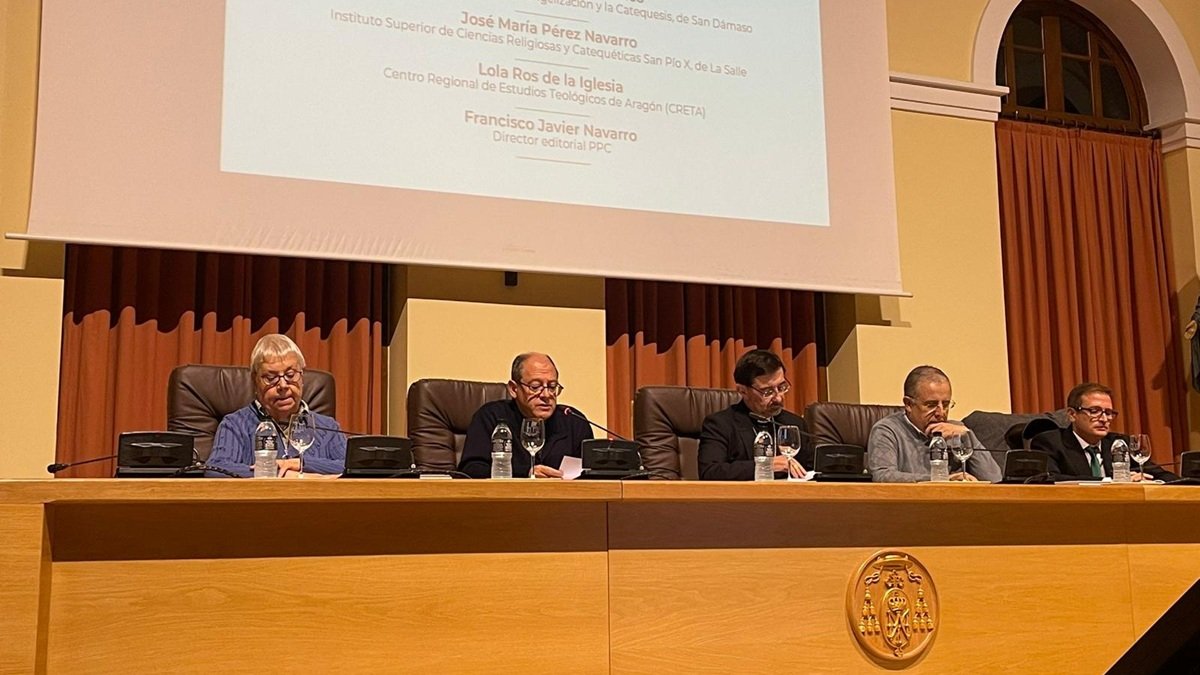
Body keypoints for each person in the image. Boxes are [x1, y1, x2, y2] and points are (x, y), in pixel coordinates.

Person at [208, 334, 346, 477]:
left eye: (290, 375)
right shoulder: (235, 424)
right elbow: (216, 469)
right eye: (271, 378)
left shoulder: (328, 427)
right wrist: (279, 474)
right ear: (255, 381)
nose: (283, 385)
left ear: (302, 377)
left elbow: (351, 467)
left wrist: (301, 464)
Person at [458, 352, 594, 479]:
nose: (546, 395)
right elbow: (471, 470)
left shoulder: (574, 421)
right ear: (513, 389)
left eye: (552, 386)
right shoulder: (491, 417)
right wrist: (526, 473)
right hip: (507, 501)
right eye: (535, 387)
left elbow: (591, 474)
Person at [867, 365, 1001, 482]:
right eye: (931, 405)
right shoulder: (887, 430)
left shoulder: (956, 431)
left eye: (946, 404)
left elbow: (994, 479)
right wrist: (941, 480)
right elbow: (883, 476)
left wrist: (968, 436)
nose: (941, 412)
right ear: (908, 404)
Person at [697, 349, 811, 480]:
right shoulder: (720, 424)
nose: (779, 398)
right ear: (742, 391)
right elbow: (710, 472)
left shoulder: (795, 424)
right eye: (767, 391)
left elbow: (812, 468)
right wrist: (766, 465)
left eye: (781, 387)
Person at [1029, 382, 1179, 482]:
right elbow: (1050, 479)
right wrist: (1111, 482)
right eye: (1094, 411)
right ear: (1072, 414)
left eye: (1108, 412)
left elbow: (1160, 474)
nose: (1104, 419)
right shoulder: (1051, 442)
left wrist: (1153, 481)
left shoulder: (1119, 443)